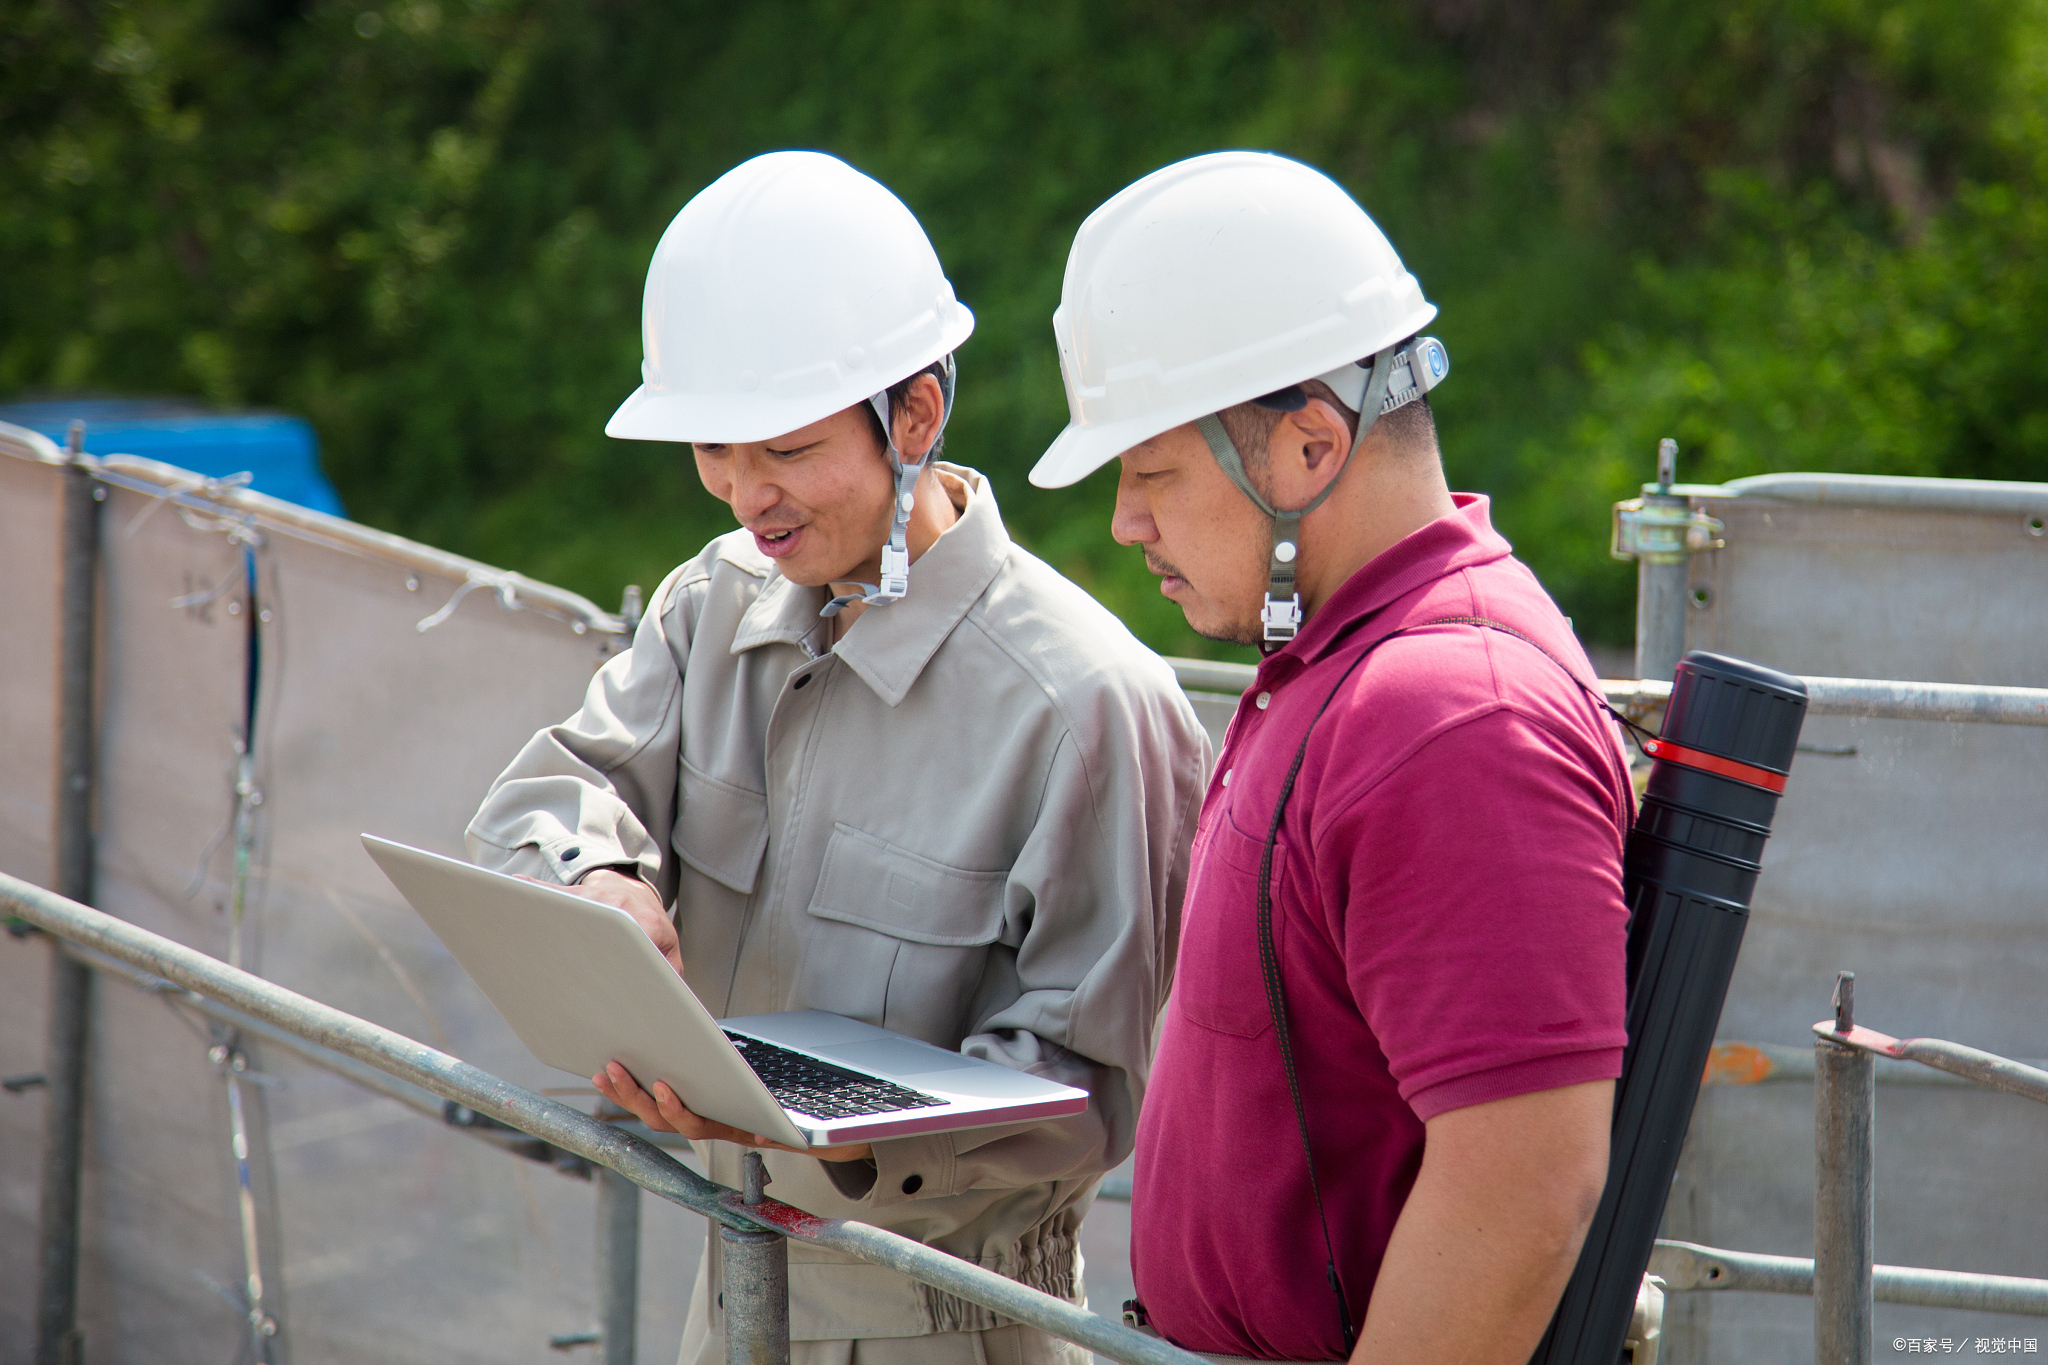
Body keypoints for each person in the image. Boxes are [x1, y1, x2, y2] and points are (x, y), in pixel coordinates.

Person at [467, 151, 1208, 1365]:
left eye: (787, 451)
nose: (745, 495)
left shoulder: (1084, 704)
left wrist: (842, 1144)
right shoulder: (715, 604)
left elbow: (1086, 1090)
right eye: (711, 449)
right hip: (731, 1282)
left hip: (950, 1321)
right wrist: (593, 879)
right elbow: (557, 789)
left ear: (913, 413)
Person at [1029, 151, 1633, 1365]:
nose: (1123, 520)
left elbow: (1519, 1193)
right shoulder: (1346, 661)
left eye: (1150, 471)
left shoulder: (1449, 717)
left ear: (1309, 446)